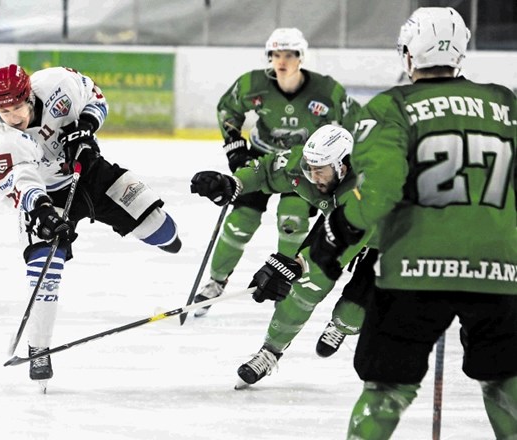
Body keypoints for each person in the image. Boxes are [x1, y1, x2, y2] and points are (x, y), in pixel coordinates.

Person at [305, 8, 517, 439]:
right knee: (506, 378)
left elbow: (379, 190)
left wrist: (335, 236)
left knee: (386, 388)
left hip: (412, 270)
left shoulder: (392, 106)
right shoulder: (506, 103)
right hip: (499, 269)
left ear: (408, 55)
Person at [0, 64, 182, 389]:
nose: (13, 116)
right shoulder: (5, 142)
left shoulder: (57, 83)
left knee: (162, 229)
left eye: (17, 107)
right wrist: (44, 211)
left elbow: (95, 96)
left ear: (28, 96)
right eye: (3, 111)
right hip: (47, 198)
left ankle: (161, 235)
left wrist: (86, 127)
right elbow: (19, 184)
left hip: (89, 173)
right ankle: (39, 347)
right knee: (45, 271)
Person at [192, 27, 360, 318]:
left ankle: (288, 277)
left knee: (291, 220)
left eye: (290, 54)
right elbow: (227, 108)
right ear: (269, 56)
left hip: (307, 164)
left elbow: (356, 122)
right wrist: (235, 148)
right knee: (241, 220)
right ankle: (216, 281)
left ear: (301, 57)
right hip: (263, 157)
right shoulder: (252, 83)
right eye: (276, 54)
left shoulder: (327, 90)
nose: (282, 60)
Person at [191, 124, 376, 388]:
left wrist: (296, 265)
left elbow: (344, 241)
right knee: (306, 288)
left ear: (343, 166)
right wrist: (234, 183)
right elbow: (266, 171)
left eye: (320, 171)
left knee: (351, 314)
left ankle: (342, 326)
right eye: (309, 169)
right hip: (340, 223)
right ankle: (269, 352)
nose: (313, 177)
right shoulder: (306, 165)